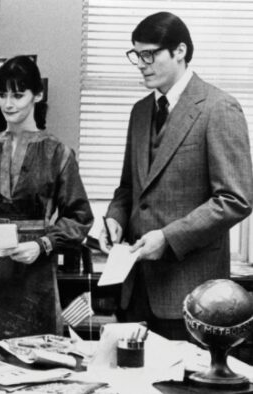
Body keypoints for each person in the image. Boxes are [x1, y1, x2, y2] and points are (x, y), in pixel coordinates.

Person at [99, 12, 253, 340]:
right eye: (136, 55)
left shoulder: (219, 107)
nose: (141, 63)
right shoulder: (140, 112)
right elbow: (128, 189)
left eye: (149, 54)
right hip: (134, 291)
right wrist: (115, 218)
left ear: (179, 51)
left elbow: (235, 199)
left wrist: (168, 238)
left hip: (191, 296)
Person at [0, 55, 94, 339]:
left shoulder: (58, 153)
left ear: (38, 95)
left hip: (35, 270)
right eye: (2, 94)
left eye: (18, 95)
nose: (8, 104)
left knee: (37, 356)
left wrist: (43, 245)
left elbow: (80, 217)